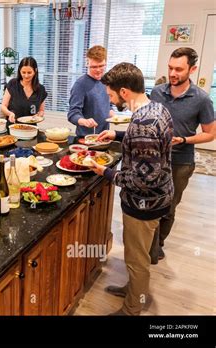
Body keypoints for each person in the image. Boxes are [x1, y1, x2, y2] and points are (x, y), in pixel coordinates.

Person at [89, 62, 174, 316]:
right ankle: (132, 289)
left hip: (144, 203)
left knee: (137, 261)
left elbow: (142, 179)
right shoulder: (156, 108)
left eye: (111, 94)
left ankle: (131, 309)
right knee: (138, 256)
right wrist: (116, 135)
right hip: (161, 196)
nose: (110, 98)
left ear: (124, 92)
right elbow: (152, 147)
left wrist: (105, 172)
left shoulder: (142, 125)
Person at [149, 47, 215, 263]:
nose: (172, 73)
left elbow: (210, 134)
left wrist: (184, 139)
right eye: (170, 68)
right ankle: (147, 245)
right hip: (154, 159)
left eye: (179, 69)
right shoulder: (157, 92)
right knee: (150, 203)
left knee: (168, 206)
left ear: (192, 69)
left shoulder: (202, 99)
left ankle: (158, 245)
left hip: (180, 162)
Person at [67, 45, 113, 137]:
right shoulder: (80, 85)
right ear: (87, 64)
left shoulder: (107, 81)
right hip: (85, 138)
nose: (98, 70)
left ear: (106, 63)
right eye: (94, 67)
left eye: (101, 66)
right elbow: (72, 114)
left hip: (104, 136)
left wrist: (114, 116)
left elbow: (108, 106)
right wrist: (84, 121)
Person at [0, 57, 48, 125]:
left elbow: (41, 110)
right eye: (23, 72)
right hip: (13, 127)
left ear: (35, 71)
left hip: (31, 129)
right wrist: (10, 113)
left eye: (29, 72)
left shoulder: (40, 89)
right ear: (19, 70)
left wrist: (39, 115)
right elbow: (3, 106)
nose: (26, 75)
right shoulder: (13, 84)